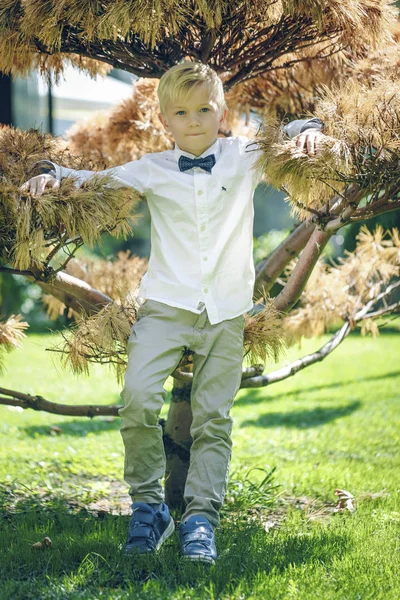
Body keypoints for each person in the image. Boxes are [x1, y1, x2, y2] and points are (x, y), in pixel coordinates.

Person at [20, 62, 324, 564]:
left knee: (213, 418)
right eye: (181, 112)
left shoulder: (243, 157)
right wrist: (51, 176)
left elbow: (282, 135)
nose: (195, 120)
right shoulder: (153, 168)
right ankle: (148, 507)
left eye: (205, 109)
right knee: (137, 398)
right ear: (164, 118)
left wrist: (308, 130)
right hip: (165, 306)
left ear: (222, 110)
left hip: (225, 311)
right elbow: (92, 179)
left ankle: (201, 519)